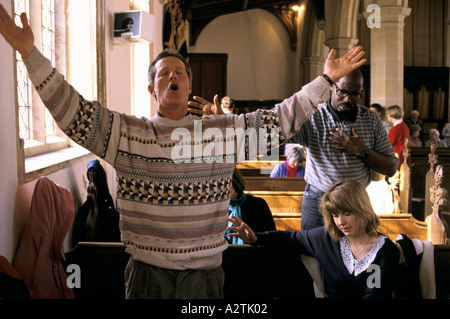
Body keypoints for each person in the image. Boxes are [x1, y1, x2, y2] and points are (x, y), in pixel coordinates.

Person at [0, 6, 367, 298]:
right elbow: (74, 114)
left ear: (190, 84)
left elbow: (279, 121)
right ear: (152, 89)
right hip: (146, 273)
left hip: (204, 275)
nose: (171, 76)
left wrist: (326, 81)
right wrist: (30, 54)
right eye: (163, 73)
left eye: (179, 72)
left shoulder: (220, 135)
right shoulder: (126, 133)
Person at [227, 180, 400, 299]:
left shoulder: (383, 251)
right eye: (335, 215)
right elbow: (289, 237)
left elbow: (374, 294)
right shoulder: (326, 238)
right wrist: (256, 238)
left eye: (347, 214)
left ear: (363, 210)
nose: (341, 222)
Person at [286, 68, 398, 231]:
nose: (347, 99)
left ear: (362, 91)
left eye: (355, 94)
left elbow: (391, 168)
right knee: (312, 252)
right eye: (343, 92)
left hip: (355, 202)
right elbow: (275, 136)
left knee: (356, 254)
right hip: (318, 200)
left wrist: (362, 151)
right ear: (331, 86)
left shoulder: (371, 120)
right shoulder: (313, 116)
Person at [225, 169, 276, 244]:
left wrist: (253, 238)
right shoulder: (216, 208)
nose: (223, 188)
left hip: (254, 252)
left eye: (227, 182)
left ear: (235, 181)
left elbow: (271, 237)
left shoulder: (258, 204)